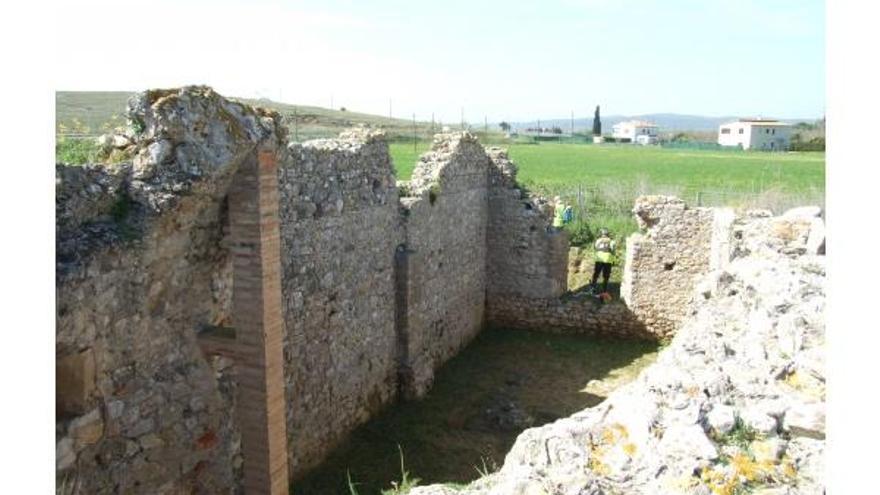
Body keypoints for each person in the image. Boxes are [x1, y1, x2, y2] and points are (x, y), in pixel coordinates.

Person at [590, 228, 616, 294]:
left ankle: (593, 288)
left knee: (596, 274)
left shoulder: (598, 240)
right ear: (608, 234)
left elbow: (595, 248)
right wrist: (613, 261)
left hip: (599, 260)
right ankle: (604, 290)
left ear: (601, 234)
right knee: (606, 276)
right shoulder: (612, 241)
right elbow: (613, 252)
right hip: (608, 260)